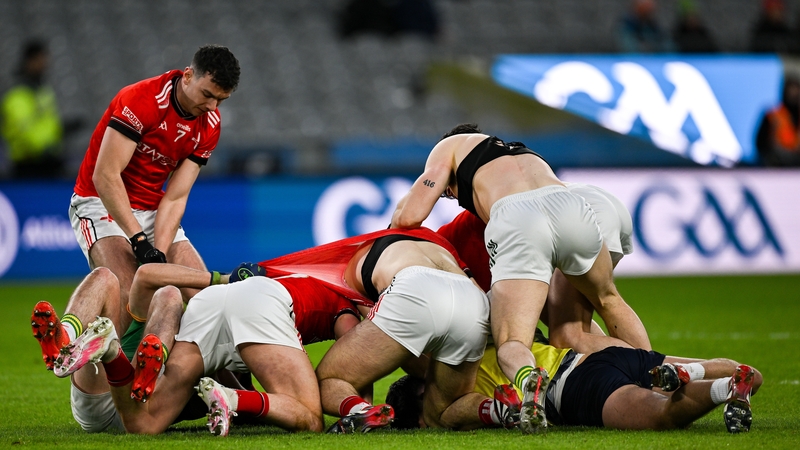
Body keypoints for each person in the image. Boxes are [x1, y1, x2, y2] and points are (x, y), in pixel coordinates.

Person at [390, 123, 650, 433]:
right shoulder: (513, 152)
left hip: (520, 216)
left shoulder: (449, 148)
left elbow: (410, 217)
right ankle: (654, 372)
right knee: (604, 303)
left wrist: (391, 233)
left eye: (449, 191)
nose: (449, 194)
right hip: (572, 204)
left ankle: (529, 381)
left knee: (513, 341)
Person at [52, 264, 362, 436]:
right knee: (309, 417)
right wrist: (360, 407)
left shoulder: (296, 272)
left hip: (215, 299)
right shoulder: (342, 299)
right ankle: (232, 399)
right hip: (261, 304)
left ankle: (110, 351)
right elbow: (352, 358)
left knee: (143, 425)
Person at [68, 44, 240, 339]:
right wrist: (138, 241)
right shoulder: (141, 99)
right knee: (125, 296)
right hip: (101, 202)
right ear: (187, 76)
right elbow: (105, 176)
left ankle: (220, 381)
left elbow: (175, 196)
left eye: (221, 100)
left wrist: (157, 251)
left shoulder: (210, 124)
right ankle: (86, 359)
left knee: (206, 301)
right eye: (208, 95)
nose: (213, 107)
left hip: (152, 208)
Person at [30, 261, 248, 432]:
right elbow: (146, 274)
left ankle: (149, 371)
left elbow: (232, 395)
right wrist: (224, 280)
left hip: (141, 408)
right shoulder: (158, 306)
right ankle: (64, 341)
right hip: (103, 392)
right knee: (104, 276)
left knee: (169, 300)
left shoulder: (211, 345)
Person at [315, 226, 490, 433]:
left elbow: (395, 346)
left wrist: (428, 372)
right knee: (442, 412)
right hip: (473, 299)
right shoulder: (438, 242)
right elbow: (481, 296)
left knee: (327, 379)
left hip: (414, 286)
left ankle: (361, 410)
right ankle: (501, 410)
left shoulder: (353, 264)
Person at [437, 182, 640, 354]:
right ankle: (645, 370)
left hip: (578, 213)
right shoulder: (491, 187)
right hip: (589, 200)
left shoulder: (457, 241)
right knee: (579, 314)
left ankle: (655, 367)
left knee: (567, 338)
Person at [387, 341, 762, 434]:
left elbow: (451, 415)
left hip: (572, 388)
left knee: (660, 416)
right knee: (747, 372)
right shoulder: (470, 346)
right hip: (595, 357)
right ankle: (720, 377)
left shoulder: (450, 394)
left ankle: (718, 389)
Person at [1, 39, 72, 178]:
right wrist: (43, 148)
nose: (44, 64)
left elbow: (48, 123)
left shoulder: (44, 92)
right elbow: (21, 129)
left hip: (48, 162)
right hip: (27, 164)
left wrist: (62, 130)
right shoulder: (16, 95)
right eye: (40, 59)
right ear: (29, 61)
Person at [756, 77, 800, 167]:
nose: (794, 94)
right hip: (777, 162)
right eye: (791, 90)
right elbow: (760, 143)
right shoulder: (773, 115)